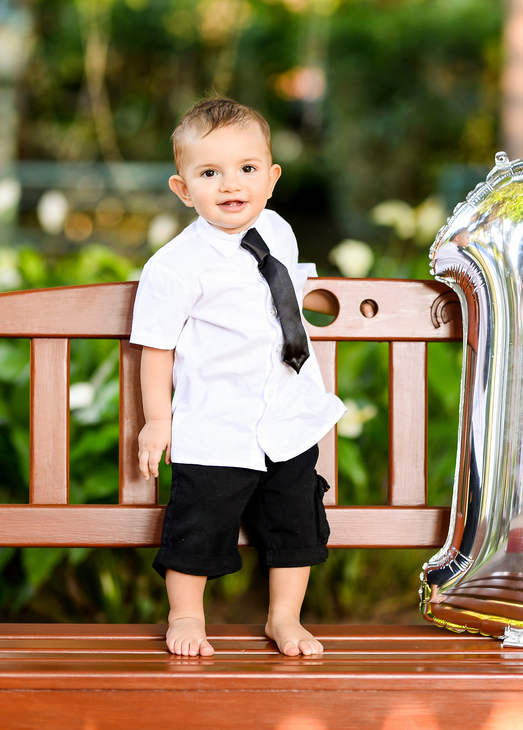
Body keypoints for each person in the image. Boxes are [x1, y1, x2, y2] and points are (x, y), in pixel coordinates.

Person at [131, 98, 345, 658]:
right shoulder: (175, 266)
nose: (232, 184)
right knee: (198, 523)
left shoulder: (278, 230)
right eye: (210, 173)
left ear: (271, 178)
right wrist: (157, 422)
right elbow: (155, 348)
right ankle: (185, 616)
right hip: (217, 423)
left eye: (247, 169)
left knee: (297, 521)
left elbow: (285, 294)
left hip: (286, 417)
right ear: (183, 190)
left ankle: (284, 618)